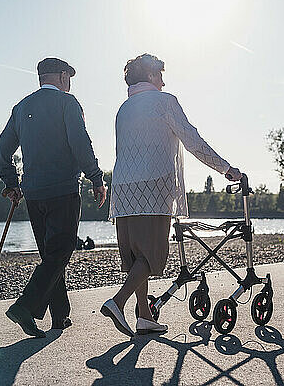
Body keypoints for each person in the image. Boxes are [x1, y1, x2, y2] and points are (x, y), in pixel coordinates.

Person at [100, 54, 242, 337]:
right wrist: (225, 168)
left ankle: (145, 317)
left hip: (124, 187)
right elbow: (192, 140)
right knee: (152, 254)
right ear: (151, 76)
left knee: (136, 254)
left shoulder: (123, 108)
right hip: (153, 186)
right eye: (161, 75)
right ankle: (117, 302)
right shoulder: (165, 102)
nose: (164, 81)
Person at [0, 57, 107, 338]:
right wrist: (96, 177)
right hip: (63, 190)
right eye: (68, 76)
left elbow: (2, 150)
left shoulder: (21, 108)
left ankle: (60, 316)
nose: (69, 82)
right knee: (60, 251)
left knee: (51, 255)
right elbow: (80, 142)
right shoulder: (67, 104)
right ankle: (25, 306)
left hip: (34, 193)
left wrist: (12, 182)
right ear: (60, 76)